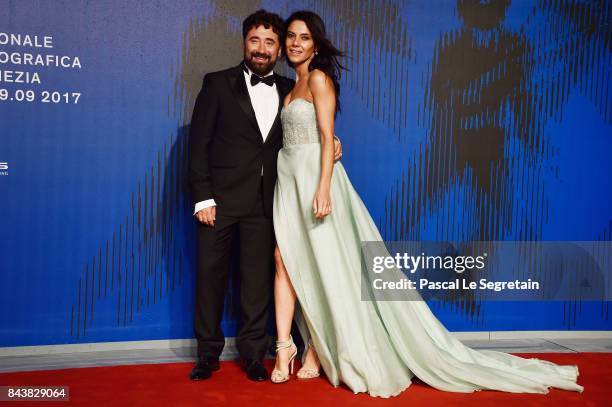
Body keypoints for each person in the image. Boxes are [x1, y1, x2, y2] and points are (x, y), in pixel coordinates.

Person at [271, 10, 583, 397]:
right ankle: (293, 347)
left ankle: (318, 348)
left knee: (328, 266)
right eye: (290, 36)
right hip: (289, 183)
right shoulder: (289, 88)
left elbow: (326, 135)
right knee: (289, 261)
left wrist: (323, 186)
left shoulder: (318, 79)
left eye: (303, 37)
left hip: (317, 183)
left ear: (316, 44)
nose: (295, 42)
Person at [188, 10, 341, 382]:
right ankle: (207, 355)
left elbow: (312, 129)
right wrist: (203, 197)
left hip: (267, 201)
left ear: (278, 50)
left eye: (270, 42)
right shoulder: (217, 83)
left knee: (258, 281)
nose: (262, 48)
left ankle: (255, 355)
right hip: (219, 203)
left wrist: (333, 142)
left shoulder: (292, 86)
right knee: (211, 278)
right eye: (255, 40)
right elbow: (198, 144)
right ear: (244, 42)